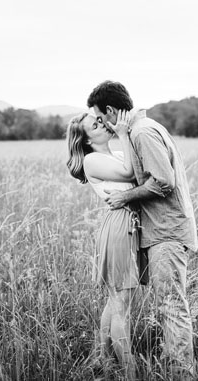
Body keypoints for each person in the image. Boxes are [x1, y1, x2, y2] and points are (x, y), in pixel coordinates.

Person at [87, 80, 198, 378]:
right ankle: (112, 362)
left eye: (100, 117)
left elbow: (163, 181)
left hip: (167, 232)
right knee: (167, 304)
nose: (102, 124)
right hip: (161, 230)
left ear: (110, 111)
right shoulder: (138, 131)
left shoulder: (143, 132)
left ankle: (182, 374)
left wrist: (124, 196)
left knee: (172, 307)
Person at [66, 109, 143, 379]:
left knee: (115, 301)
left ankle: (102, 358)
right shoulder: (93, 160)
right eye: (95, 126)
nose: (102, 124)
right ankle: (130, 373)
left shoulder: (116, 153)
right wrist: (123, 133)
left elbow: (140, 169)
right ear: (86, 139)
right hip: (120, 226)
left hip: (128, 223)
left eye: (100, 120)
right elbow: (132, 172)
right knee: (123, 305)